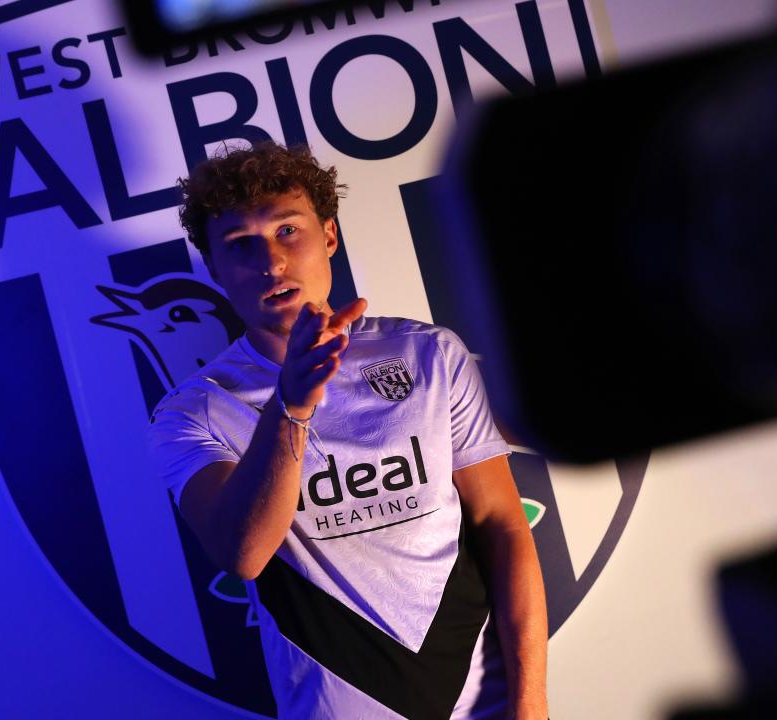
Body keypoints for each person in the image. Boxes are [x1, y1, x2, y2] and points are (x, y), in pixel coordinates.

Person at [148, 142, 548, 720]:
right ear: (213, 268)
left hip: (487, 703)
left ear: (329, 235)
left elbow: (502, 525)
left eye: (288, 231)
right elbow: (243, 554)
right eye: (239, 244)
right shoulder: (193, 412)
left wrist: (530, 703)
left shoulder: (429, 355)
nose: (271, 262)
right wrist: (292, 404)